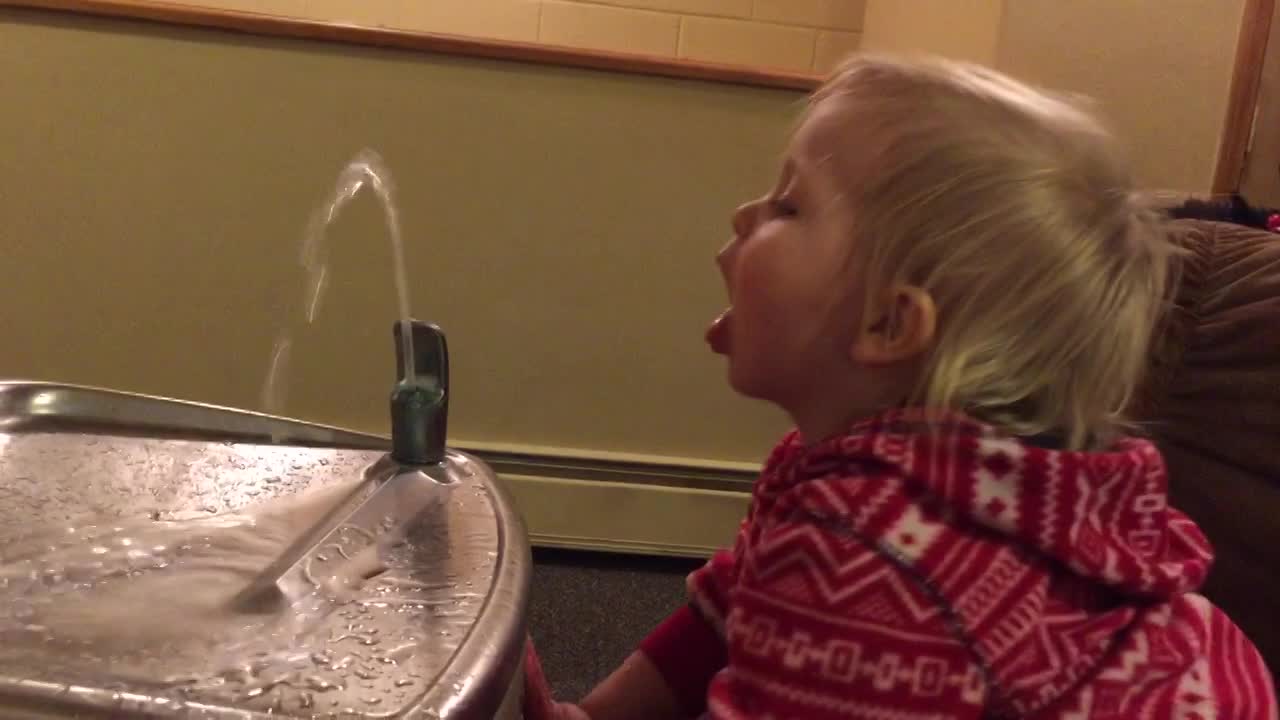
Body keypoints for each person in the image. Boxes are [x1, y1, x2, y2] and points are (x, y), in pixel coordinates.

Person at [525, 55, 1278, 719]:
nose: (744, 214)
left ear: (889, 324)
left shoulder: (870, 561)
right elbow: (729, 609)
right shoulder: (858, 486)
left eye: (789, 206)